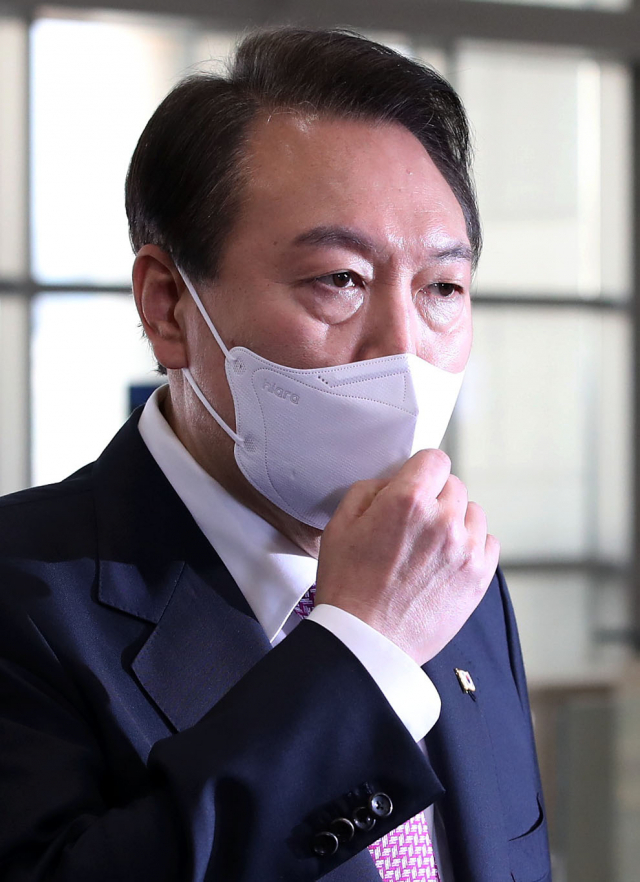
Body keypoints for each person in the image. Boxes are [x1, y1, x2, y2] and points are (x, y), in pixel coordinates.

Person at [0, 27, 552, 882]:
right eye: (340, 279)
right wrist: (361, 654)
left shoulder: (460, 584)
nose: (402, 348)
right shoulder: (27, 596)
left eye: (442, 288)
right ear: (168, 307)